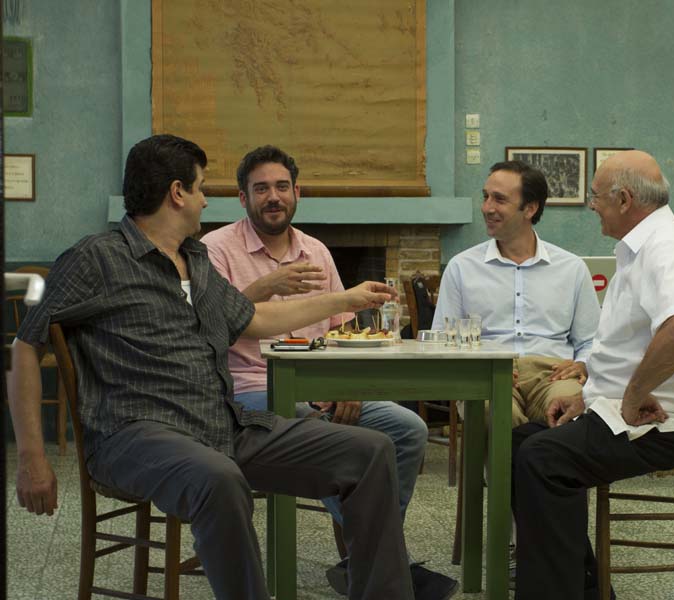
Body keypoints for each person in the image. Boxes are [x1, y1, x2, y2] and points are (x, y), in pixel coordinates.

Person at [7, 134, 415, 600]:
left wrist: (344, 300)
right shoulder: (96, 257)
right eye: (201, 188)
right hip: (135, 433)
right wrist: (31, 458)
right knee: (218, 478)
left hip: (220, 424)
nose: (205, 200)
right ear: (177, 193)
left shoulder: (196, 260)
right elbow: (25, 346)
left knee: (371, 451)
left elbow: (254, 319)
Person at [200, 145, 457, 599]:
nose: (273, 197)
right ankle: (384, 561)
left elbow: (345, 330)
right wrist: (264, 286)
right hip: (249, 392)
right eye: (261, 189)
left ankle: (364, 559)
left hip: (321, 387)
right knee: (329, 434)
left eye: (282, 187)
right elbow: (209, 324)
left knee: (409, 429)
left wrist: (348, 387)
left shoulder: (316, 250)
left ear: (297, 193)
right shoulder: (215, 250)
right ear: (243, 198)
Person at [512, 150, 674, 600]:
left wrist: (631, 396)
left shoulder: (668, 247)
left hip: (665, 424)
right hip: (631, 412)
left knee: (542, 459)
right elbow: (627, 345)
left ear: (625, 199)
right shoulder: (641, 247)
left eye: (596, 197)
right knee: (520, 443)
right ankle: (585, 588)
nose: (592, 206)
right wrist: (587, 395)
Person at [432, 160, 601, 428]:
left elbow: (591, 340)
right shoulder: (462, 267)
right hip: (488, 372)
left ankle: (533, 455)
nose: (487, 208)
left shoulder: (571, 268)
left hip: (553, 374)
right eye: (486, 197)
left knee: (569, 410)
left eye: (499, 199)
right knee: (496, 412)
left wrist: (582, 365)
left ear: (530, 208)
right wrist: (477, 367)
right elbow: (442, 339)